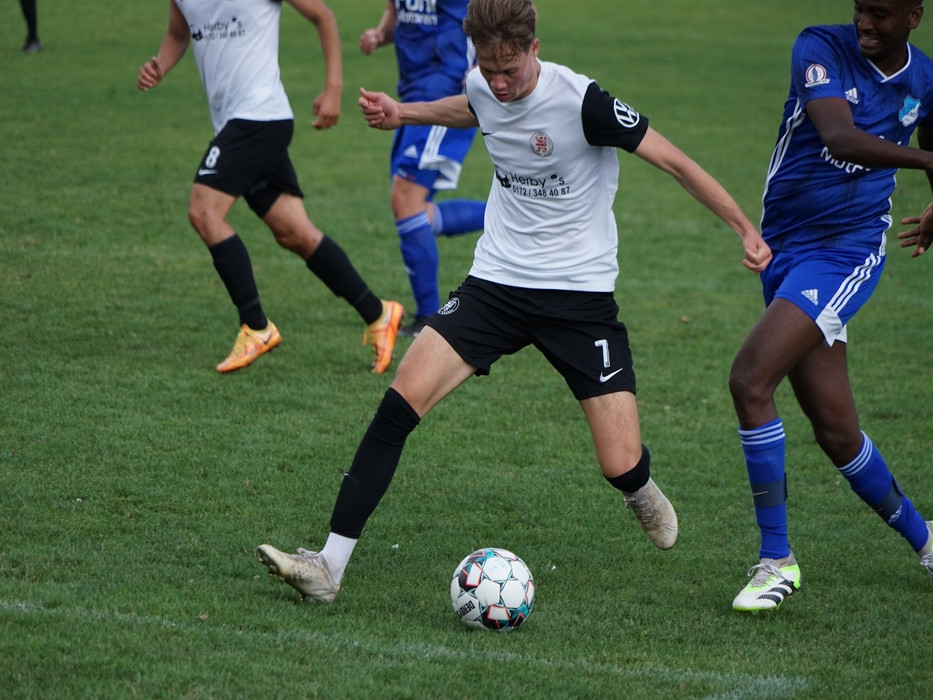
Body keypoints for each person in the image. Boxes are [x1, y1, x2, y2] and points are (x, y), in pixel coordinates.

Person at [256, 0, 771, 604]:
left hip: (578, 297)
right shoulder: (482, 82)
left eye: (510, 71)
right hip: (495, 284)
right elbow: (471, 104)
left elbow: (676, 163)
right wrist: (404, 114)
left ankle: (637, 484)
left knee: (620, 463)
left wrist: (744, 228)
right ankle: (328, 567)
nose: (499, 84)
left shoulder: (583, 102)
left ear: (533, 48)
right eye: (488, 69)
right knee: (398, 404)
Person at [727, 0, 933, 612]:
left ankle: (776, 561)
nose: (865, 22)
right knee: (838, 432)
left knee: (750, 379)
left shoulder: (928, 79)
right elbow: (838, 135)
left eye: (881, 14)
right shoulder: (819, 47)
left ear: (914, 16)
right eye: (861, 8)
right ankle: (929, 540)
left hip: (847, 251)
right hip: (786, 246)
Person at [137, 0, 404, 374]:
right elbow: (177, 34)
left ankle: (256, 326)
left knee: (203, 210)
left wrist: (333, 88)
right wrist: (160, 66)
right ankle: (378, 313)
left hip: (259, 118)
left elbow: (322, 16)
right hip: (237, 122)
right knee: (295, 233)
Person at [359, 1, 488, 337]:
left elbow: (514, 11)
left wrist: (484, 64)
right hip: (409, 97)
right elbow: (398, 12)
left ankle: (429, 318)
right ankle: (513, 212)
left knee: (406, 201)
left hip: (448, 94)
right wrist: (380, 34)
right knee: (414, 210)